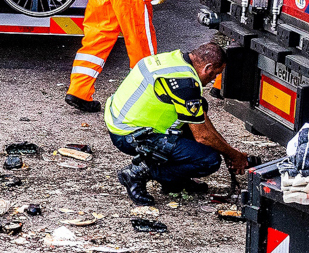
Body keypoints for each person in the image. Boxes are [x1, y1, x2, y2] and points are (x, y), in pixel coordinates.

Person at [103, 42, 251, 205]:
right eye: (214, 75)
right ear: (207, 68)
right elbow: (202, 136)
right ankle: (138, 172)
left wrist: (228, 151)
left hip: (120, 120)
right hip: (129, 135)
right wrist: (233, 155)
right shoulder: (185, 84)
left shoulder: (173, 59)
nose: (212, 80)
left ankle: (174, 181)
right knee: (209, 160)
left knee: (200, 106)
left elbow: (201, 120)